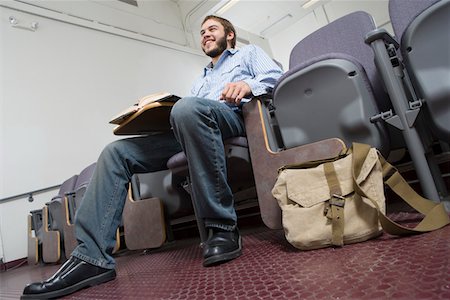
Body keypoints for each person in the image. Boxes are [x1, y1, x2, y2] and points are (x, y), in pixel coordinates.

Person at [21, 15, 283, 299]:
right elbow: (187, 113)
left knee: (186, 108)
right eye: (202, 32)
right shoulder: (201, 79)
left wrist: (247, 86)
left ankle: (221, 227)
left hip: (233, 118)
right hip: (191, 123)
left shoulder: (248, 54)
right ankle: (91, 257)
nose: (205, 35)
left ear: (229, 35)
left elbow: (276, 76)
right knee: (116, 152)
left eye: (212, 30)